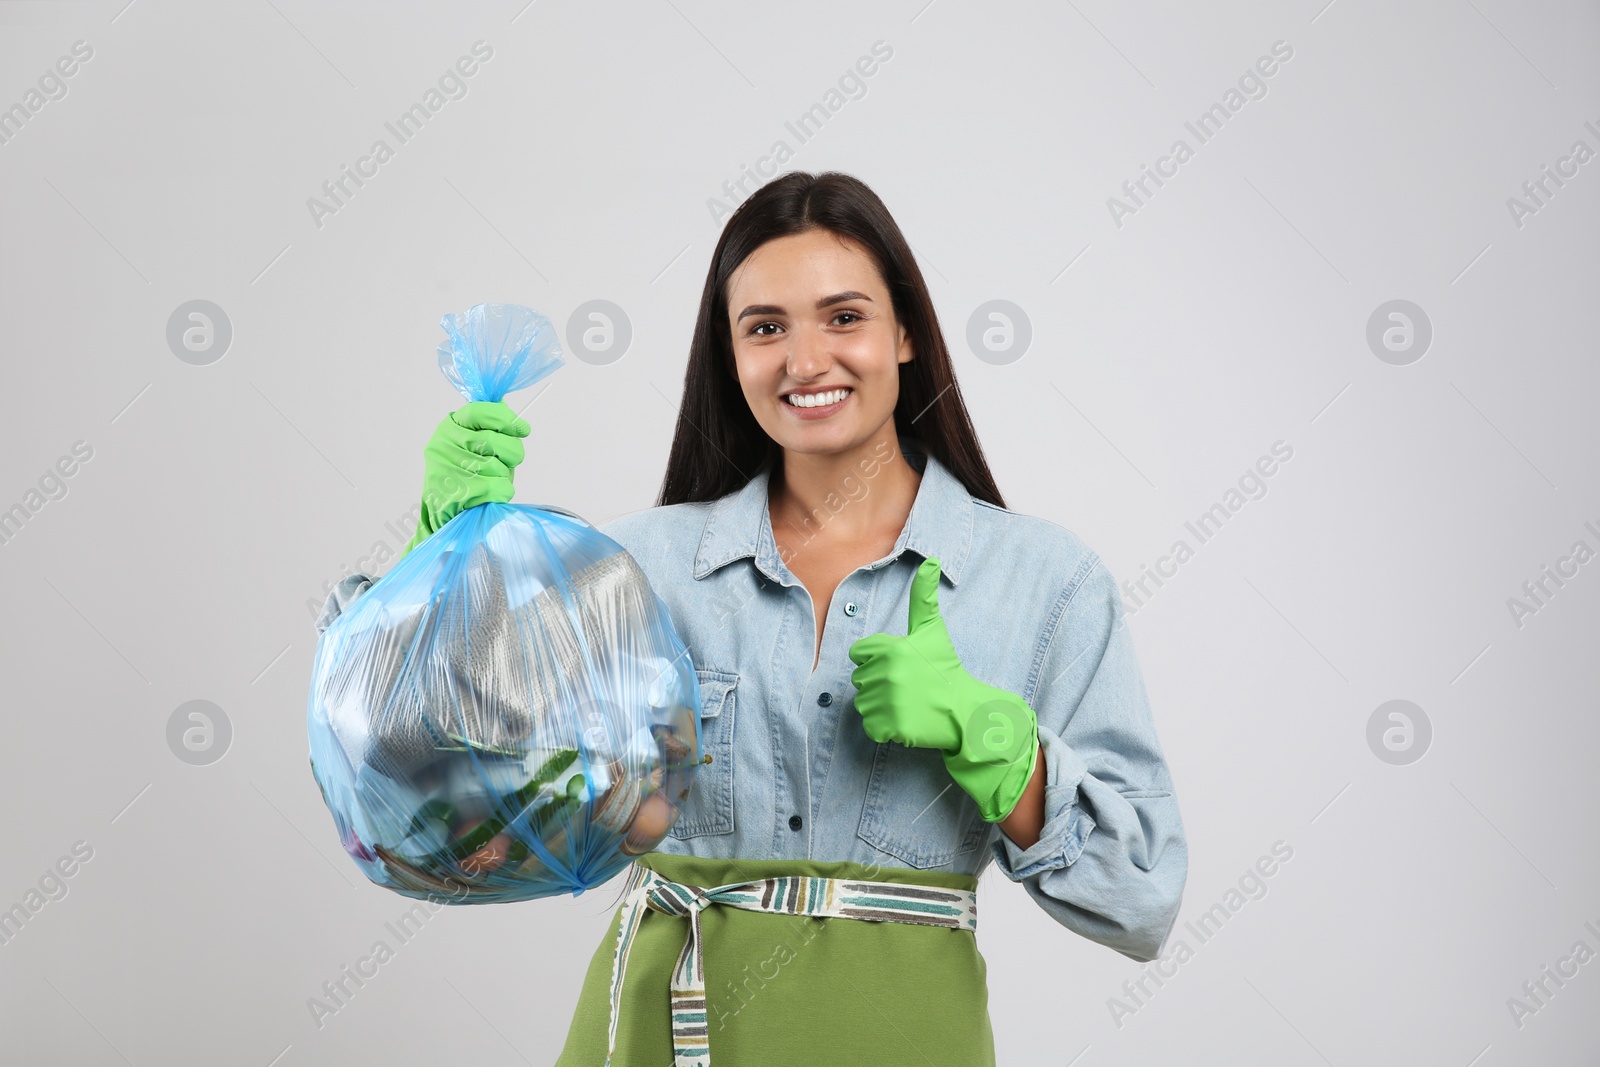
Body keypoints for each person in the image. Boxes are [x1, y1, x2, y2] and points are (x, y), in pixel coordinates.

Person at [317, 171, 1187, 1065]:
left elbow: (1144, 899)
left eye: (844, 317)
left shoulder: (1044, 582)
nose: (805, 361)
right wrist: (437, 570)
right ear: (729, 356)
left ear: (908, 334)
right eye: (765, 327)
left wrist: (1005, 753)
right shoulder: (632, 570)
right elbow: (409, 798)